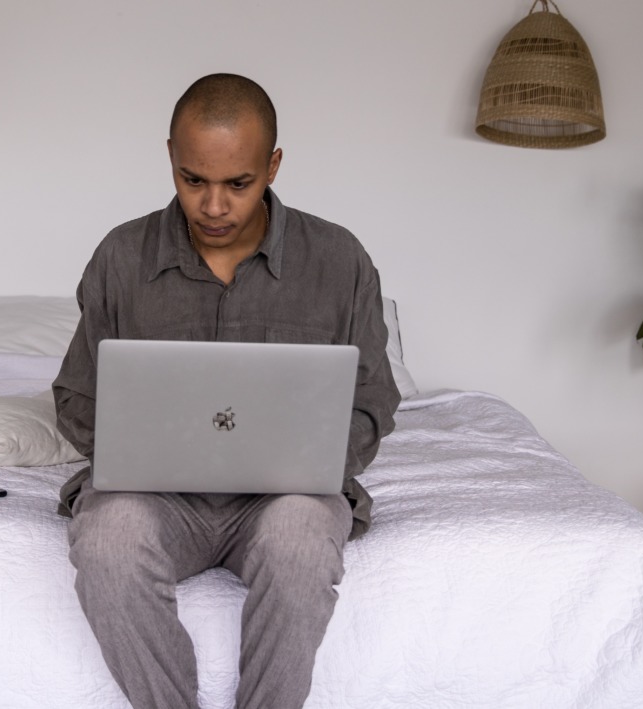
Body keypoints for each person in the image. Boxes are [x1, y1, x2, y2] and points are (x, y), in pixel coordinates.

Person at [53, 73, 400, 709]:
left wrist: (309, 458)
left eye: (238, 183)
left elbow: (372, 402)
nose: (213, 206)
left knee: (298, 535)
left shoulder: (340, 260)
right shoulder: (120, 257)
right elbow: (77, 398)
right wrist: (138, 445)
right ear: (170, 158)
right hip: (157, 503)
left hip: (283, 501)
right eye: (193, 180)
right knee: (107, 536)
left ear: (272, 166)